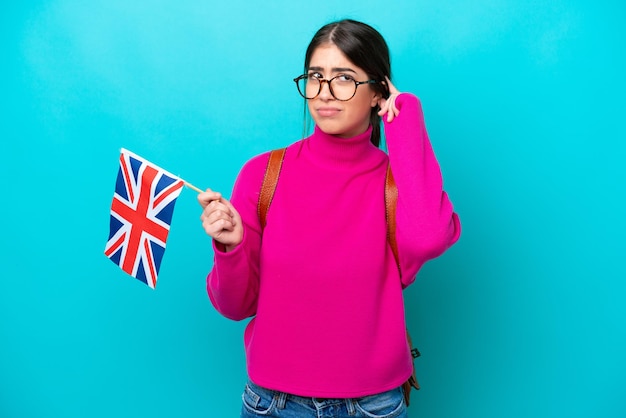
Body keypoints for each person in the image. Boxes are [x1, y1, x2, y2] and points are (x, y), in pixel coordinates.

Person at [198, 19, 461, 418]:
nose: (324, 92)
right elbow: (235, 305)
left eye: (344, 78)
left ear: (378, 92)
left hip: (372, 405)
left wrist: (405, 117)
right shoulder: (262, 175)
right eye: (316, 77)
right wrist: (230, 248)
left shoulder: (396, 185)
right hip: (273, 403)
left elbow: (428, 236)